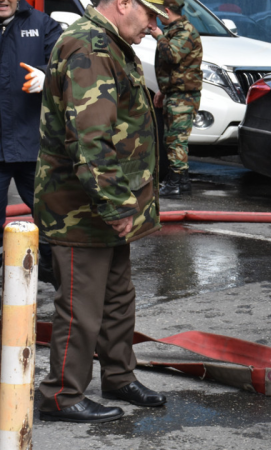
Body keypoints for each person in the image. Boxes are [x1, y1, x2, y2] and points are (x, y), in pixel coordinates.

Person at [35, 0, 169, 424]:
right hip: (83, 209)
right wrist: (113, 204)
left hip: (107, 204)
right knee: (82, 306)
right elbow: (90, 139)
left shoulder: (110, 42)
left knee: (117, 298)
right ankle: (61, 395)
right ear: (124, 3)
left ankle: (119, 376)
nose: (155, 27)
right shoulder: (89, 47)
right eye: (151, 16)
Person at [0, 0, 61, 287]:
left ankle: (61, 285)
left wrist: (47, 75)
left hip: (33, 146)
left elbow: (69, 63)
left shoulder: (41, 24)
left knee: (52, 218)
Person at [151, 0, 202, 197]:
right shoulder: (175, 30)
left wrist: (158, 36)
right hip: (176, 92)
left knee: (176, 140)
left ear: (166, 11)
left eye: (158, 13)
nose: (157, 18)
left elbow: (172, 56)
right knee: (173, 138)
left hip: (184, 95)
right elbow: (175, 69)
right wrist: (163, 90)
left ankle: (175, 183)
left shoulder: (184, 31)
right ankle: (183, 182)